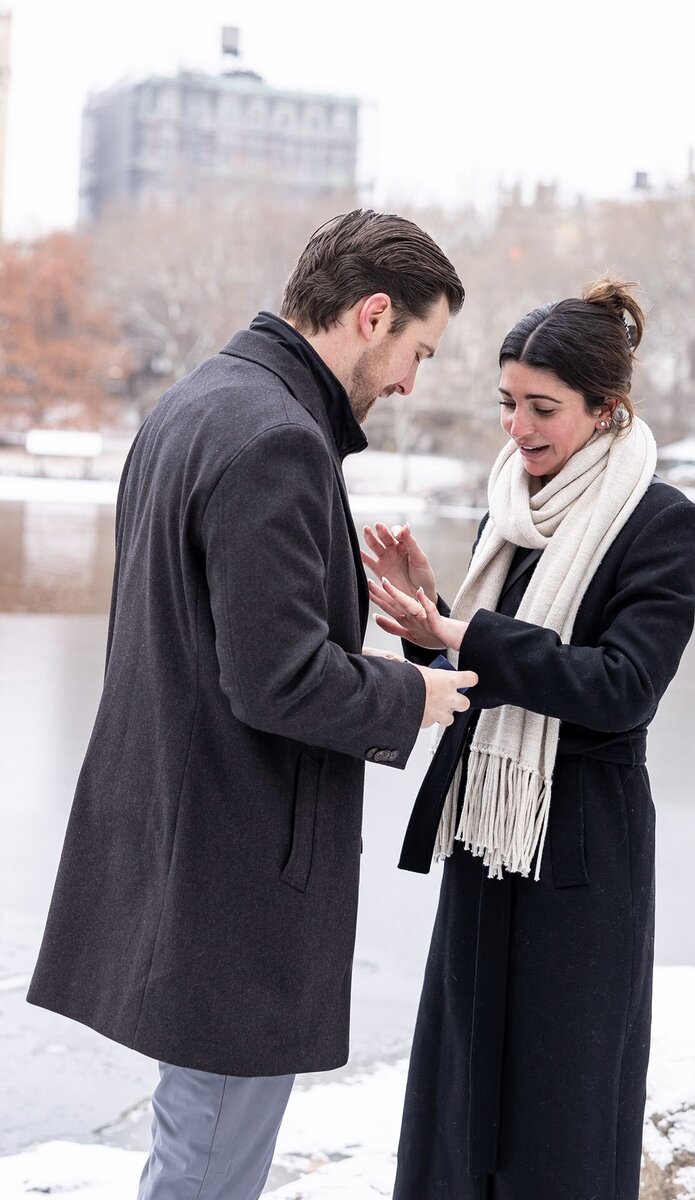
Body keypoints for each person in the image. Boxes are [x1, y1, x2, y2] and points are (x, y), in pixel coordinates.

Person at [26, 208, 478, 1200]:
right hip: (235, 877)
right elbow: (277, 679)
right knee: (209, 1170)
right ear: (372, 315)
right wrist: (415, 691)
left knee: (192, 1151)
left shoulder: (195, 403)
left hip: (179, 844)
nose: (410, 382)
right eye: (419, 351)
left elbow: (218, 646)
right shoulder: (276, 437)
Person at [363, 279, 695, 1200]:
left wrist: (466, 633)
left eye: (543, 407)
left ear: (606, 409)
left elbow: (622, 689)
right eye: (507, 402)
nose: (517, 428)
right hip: (489, 838)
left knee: (562, 1108)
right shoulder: (513, 513)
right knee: (460, 1094)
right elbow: (494, 672)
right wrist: (431, 618)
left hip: (579, 855)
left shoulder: (661, 524)